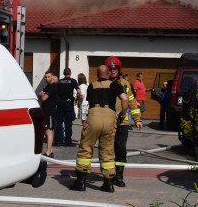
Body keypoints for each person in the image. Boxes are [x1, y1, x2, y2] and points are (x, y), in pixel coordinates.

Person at [71, 64, 128, 193]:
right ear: (108, 74)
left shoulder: (92, 85)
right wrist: (123, 115)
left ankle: (81, 182)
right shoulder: (115, 85)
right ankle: (108, 184)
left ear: (97, 74)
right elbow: (124, 99)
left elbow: (90, 102)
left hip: (94, 116)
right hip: (110, 117)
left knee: (86, 148)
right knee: (107, 150)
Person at [109, 56, 142, 188]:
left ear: (119, 69)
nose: (112, 71)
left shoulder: (126, 84)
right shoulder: (104, 83)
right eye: (110, 69)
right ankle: (109, 175)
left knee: (121, 150)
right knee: (108, 150)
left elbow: (132, 103)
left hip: (122, 123)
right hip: (108, 123)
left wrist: (137, 119)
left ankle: (119, 176)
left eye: (114, 69)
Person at [38, 71, 58, 157]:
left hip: (50, 111)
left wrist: (42, 94)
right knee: (46, 131)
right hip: (46, 110)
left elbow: (43, 98)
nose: (47, 78)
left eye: (48, 77)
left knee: (49, 131)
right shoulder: (48, 86)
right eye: (45, 77)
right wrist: (41, 94)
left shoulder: (52, 87)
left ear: (52, 77)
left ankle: (49, 152)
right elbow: (40, 95)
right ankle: (50, 150)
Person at [56, 67, 78, 146]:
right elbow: (78, 91)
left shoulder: (60, 81)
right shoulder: (73, 81)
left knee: (59, 122)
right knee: (68, 123)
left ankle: (58, 141)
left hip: (60, 103)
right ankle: (68, 141)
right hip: (69, 103)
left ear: (63, 73)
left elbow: (57, 92)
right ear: (70, 73)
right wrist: (76, 99)